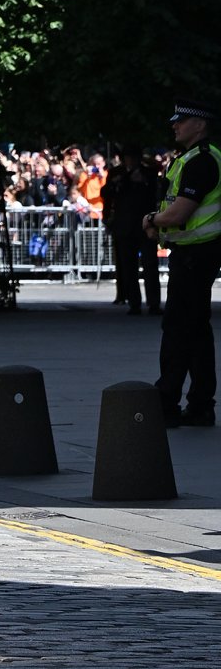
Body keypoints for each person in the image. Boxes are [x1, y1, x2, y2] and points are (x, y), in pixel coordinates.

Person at [145, 102, 221, 426]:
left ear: (200, 125)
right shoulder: (191, 158)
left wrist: (151, 219)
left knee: (177, 329)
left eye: (182, 121)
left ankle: (166, 402)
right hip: (194, 253)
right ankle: (201, 403)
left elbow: (179, 213)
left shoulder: (202, 161)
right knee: (197, 329)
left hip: (195, 255)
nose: (174, 126)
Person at [106, 143, 161, 315]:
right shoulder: (117, 174)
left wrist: (143, 181)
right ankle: (134, 302)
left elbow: (155, 191)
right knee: (128, 266)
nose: (131, 161)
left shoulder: (148, 173)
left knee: (150, 265)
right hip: (124, 226)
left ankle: (154, 303)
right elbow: (106, 193)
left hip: (145, 225)